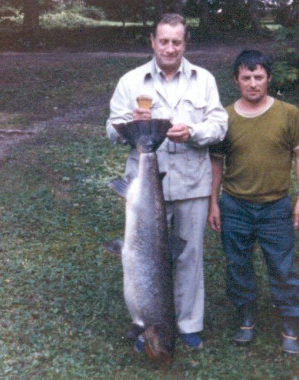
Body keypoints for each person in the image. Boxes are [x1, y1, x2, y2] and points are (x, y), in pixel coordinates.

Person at [106, 13, 228, 350]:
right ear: (153, 42)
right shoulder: (131, 81)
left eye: (176, 42)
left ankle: (188, 324)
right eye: (164, 41)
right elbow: (110, 127)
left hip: (192, 184)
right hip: (144, 190)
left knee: (188, 256)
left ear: (185, 43)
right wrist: (130, 121)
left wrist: (193, 132)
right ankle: (143, 321)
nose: (170, 48)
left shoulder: (204, 80)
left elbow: (220, 124)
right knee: (141, 257)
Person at [208, 49, 299, 354]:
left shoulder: (289, 113)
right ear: (236, 80)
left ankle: (291, 321)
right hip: (234, 206)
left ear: (268, 78)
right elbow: (216, 162)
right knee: (238, 265)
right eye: (246, 77)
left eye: (258, 77)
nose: (252, 83)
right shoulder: (223, 117)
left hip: (275, 206)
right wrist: (213, 202)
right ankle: (246, 316)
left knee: (281, 266)